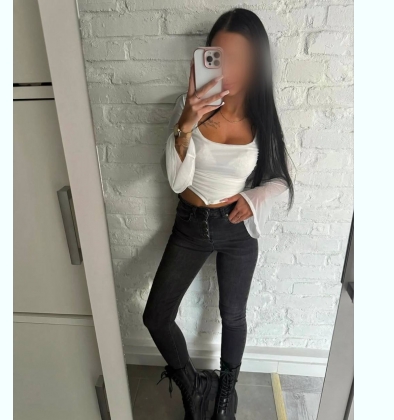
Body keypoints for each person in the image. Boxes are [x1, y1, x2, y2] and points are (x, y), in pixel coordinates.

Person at [143, 8, 295, 420]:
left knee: (233, 315)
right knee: (156, 316)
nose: (228, 69)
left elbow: (281, 179)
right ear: (207, 56)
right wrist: (186, 123)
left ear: (256, 63)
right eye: (219, 56)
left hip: (236, 229)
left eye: (240, 59)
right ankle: (193, 387)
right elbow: (178, 182)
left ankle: (226, 392)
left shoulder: (263, 118)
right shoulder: (187, 107)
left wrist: (254, 197)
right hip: (191, 225)